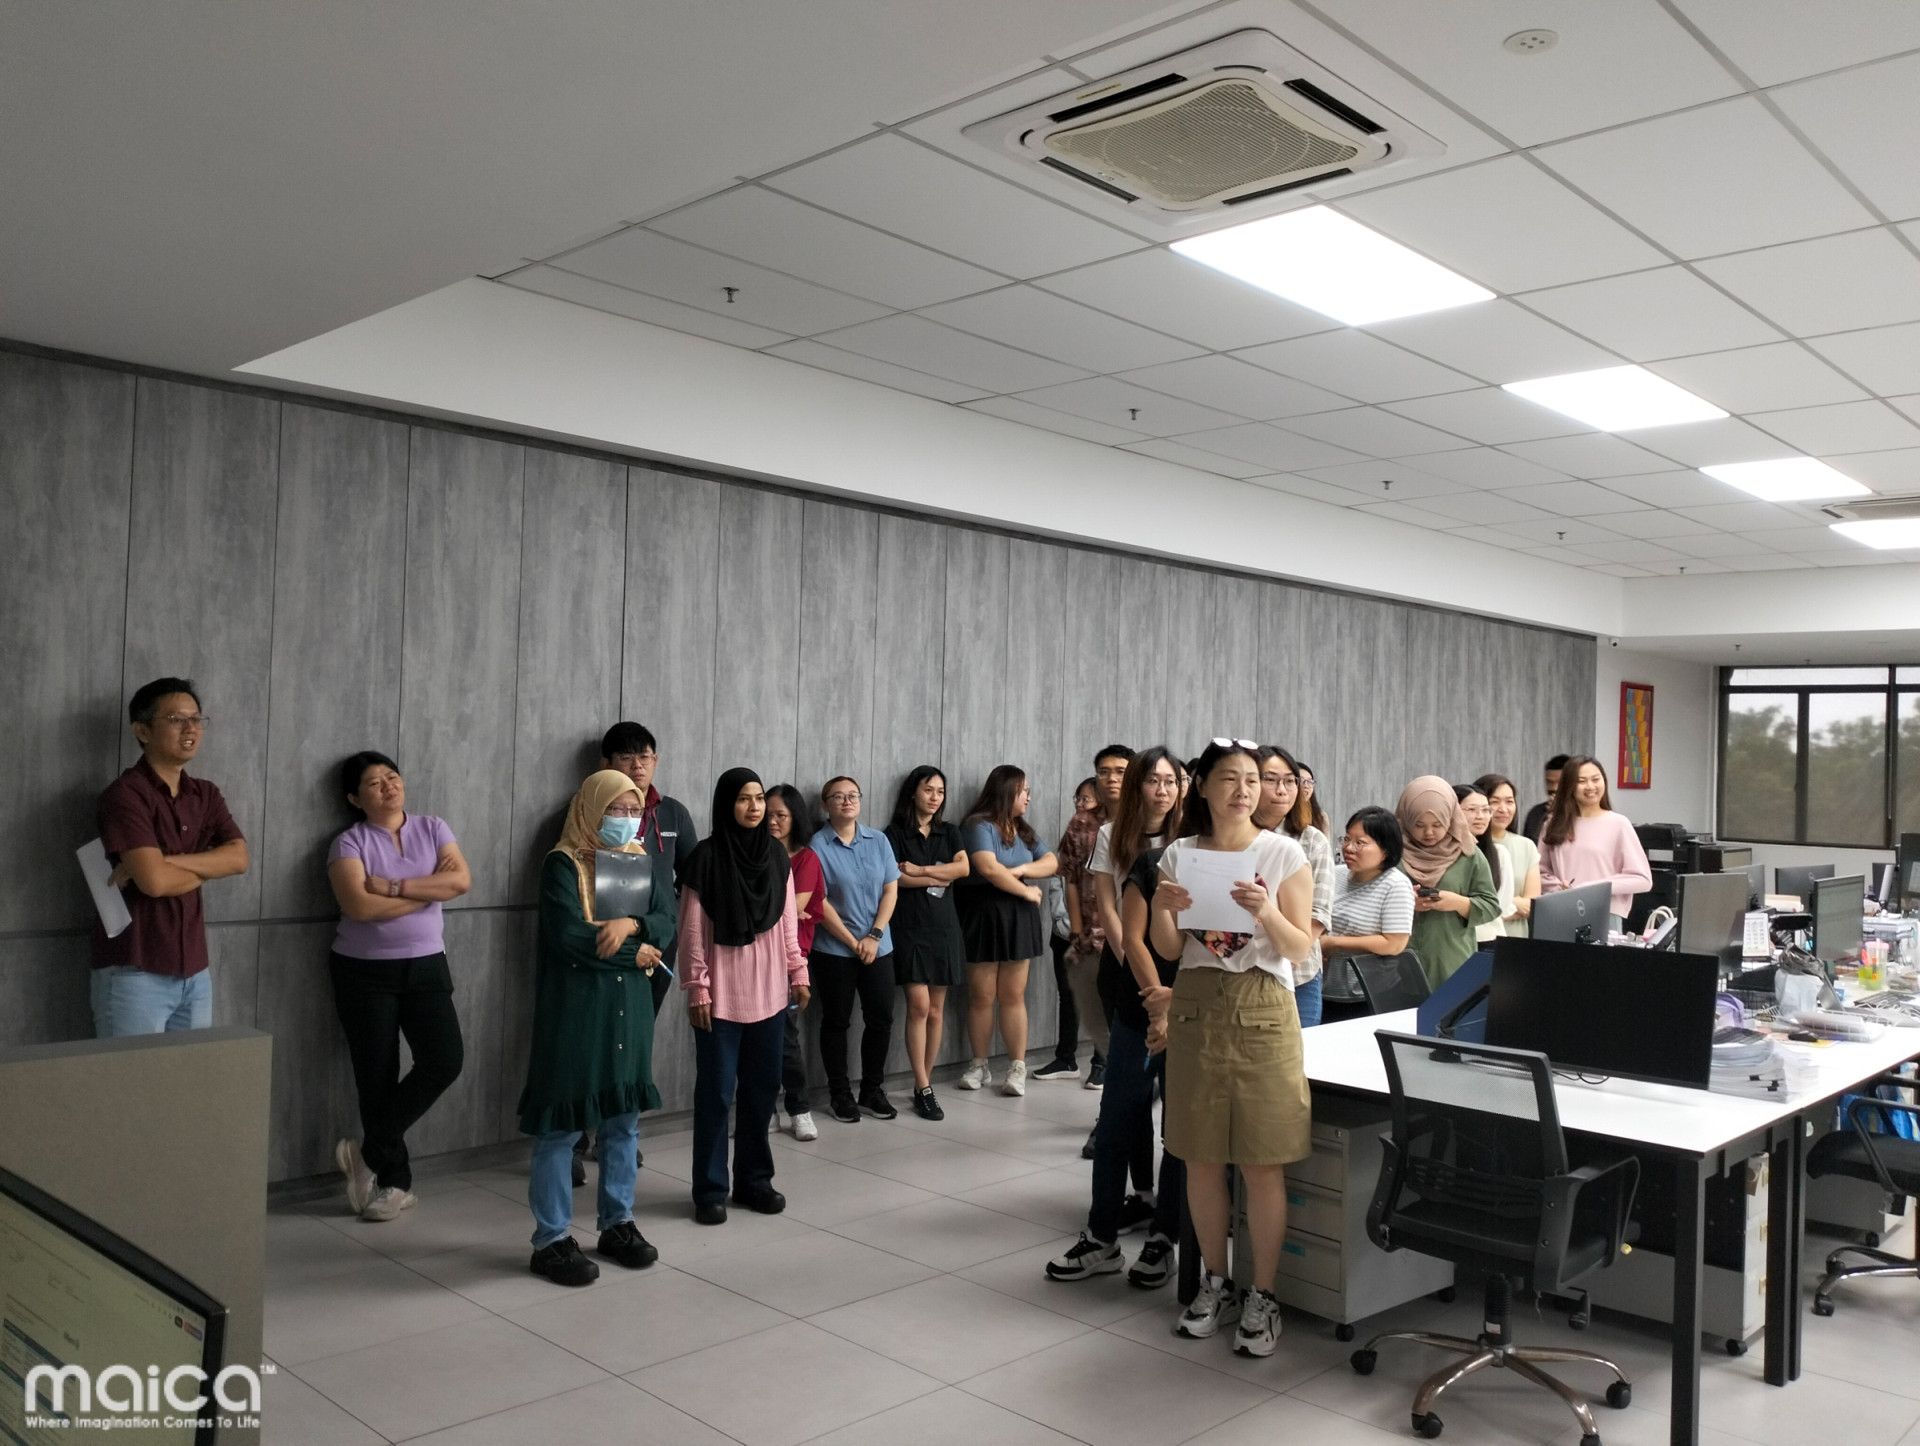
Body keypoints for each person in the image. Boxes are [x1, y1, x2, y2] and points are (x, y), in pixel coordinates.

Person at [1149, 739, 1316, 1358]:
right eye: (1230, 779)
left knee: (1261, 1159)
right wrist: (1163, 908)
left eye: (1254, 779)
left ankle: (1262, 1295)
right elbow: (1170, 948)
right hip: (1197, 1003)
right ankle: (1215, 1283)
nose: (1244, 790)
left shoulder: (1282, 851)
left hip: (1263, 1005)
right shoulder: (1180, 853)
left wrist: (1266, 911)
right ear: (1202, 785)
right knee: (1199, 1156)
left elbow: (1298, 949)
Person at [519, 770, 676, 1287]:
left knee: (622, 1122)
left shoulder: (636, 858)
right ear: (590, 810)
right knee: (562, 1127)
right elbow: (570, 936)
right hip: (578, 1010)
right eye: (616, 810)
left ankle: (617, 1224)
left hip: (629, 1007)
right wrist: (640, 953)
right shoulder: (562, 864)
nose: (626, 820)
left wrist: (632, 926)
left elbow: (666, 917)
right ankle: (550, 1241)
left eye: (634, 811)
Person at [1048, 747, 1183, 1286]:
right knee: (1118, 1113)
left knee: (1180, 1125)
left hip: (1186, 986)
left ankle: (1164, 1237)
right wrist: (1137, 967)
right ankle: (1102, 1236)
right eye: (1152, 781)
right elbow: (1106, 903)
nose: (1161, 790)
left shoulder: (1193, 837)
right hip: (1129, 974)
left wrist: (1166, 987)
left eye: (1171, 781)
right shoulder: (1112, 834)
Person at [326, 752, 471, 1223]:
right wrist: (428, 891)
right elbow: (358, 907)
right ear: (354, 798)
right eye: (374, 783)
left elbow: (461, 881)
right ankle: (394, 1183)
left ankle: (366, 1154)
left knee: (444, 1060)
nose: (388, 786)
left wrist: (392, 888)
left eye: (392, 777)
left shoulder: (433, 827)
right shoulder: (348, 842)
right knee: (377, 1076)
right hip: (363, 971)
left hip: (427, 965)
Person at [680, 769, 810, 1224]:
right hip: (720, 998)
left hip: (770, 996)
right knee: (715, 1096)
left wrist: (798, 970)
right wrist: (697, 987)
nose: (754, 808)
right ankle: (710, 1190)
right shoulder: (705, 857)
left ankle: (755, 1182)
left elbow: (788, 923)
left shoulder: (776, 855)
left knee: (761, 1093)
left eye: (759, 799)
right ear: (725, 804)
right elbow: (692, 931)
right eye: (743, 799)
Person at [574, 722, 701, 1186]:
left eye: (645, 757)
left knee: (633, 1041)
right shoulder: (588, 812)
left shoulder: (673, 813)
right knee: (591, 1041)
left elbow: (693, 874)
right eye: (627, 757)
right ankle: (574, 1139)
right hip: (600, 946)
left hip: (655, 946)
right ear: (606, 764)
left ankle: (617, 1133)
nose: (638, 766)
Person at [92, 678, 248, 1037]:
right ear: (142, 731)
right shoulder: (125, 795)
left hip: (195, 972)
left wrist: (170, 861)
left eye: (196, 719)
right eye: (177, 719)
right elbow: (155, 882)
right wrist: (209, 863)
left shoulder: (206, 794)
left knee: (191, 1074)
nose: (191, 728)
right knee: (131, 1074)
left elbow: (239, 858)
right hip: (134, 971)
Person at [955, 765, 1057, 1097]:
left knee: (1013, 995)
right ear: (1007, 791)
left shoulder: (1023, 829)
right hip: (983, 913)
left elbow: (1052, 862)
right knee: (982, 995)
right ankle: (979, 1065)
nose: (1028, 797)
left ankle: (1017, 1067)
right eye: (1024, 790)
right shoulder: (978, 825)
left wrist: (1023, 868)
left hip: (1018, 918)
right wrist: (1025, 888)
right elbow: (987, 867)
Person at [809, 776, 900, 1124]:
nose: (847, 801)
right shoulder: (817, 846)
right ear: (825, 804)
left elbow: (891, 889)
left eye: (853, 795)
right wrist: (852, 941)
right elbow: (819, 901)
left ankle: (872, 1090)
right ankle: (839, 1094)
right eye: (838, 796)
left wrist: (874, 936)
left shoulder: (878, 840)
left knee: (881, 1018)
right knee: (836, 1021)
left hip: (879, 947)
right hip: (834, 950)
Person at [884, 767, 970, 1121]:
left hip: (944, 928)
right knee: (918, 1006)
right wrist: (937, 874)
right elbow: (895, 878)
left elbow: (962, 870)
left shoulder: (950, 831)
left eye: (940, 791)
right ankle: (922, 1085)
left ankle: (925, 1083)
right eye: (928, 790)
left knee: (936, 1010)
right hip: (908, 927)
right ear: (913, 793)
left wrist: (920, 871)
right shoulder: (894, 833)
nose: (935, 797)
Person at [1055, 746, 1133, 1089]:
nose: (1111, 778)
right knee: (1103, 1021)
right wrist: (1077, 931)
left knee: (1131, 1024)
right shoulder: (1082, 822)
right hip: (1094, 938)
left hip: (1136, 939)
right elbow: (1070, 879)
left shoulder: (1147, 821)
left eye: (1120, 771)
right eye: (1104, 771)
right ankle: (1112, 1093)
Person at [1253, 746, 1334, 1028]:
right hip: (1245, 969)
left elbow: (1319, 911)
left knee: (1301, 1052)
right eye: (1271, 779)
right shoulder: (1231, 837)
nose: (1282, 790)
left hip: (1300, 975)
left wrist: (1292, 948)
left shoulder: (1311, 840)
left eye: (1290, 781)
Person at [1396, 777, 1501, 990]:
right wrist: (1405, 903)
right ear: (1406, 819)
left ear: (1451, 818)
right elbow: (1368, 898)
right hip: (1398, 966)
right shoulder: (1391, 852)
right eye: (1419, 825)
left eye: (1438, 824)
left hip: (1453, 962)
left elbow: (1491, 905)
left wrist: (1458, 903)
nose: (1429, 833)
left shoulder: (1468, 853)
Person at [1034, 777, 1102, 1083]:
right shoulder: (1072, 835)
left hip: (1098, 937)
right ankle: (1065, 1058)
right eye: (1078, 798)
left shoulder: (1107, 838)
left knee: (1100, 999)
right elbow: (1057, 884)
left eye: (1086, 799)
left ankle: (1101, 1063)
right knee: (1069, 995)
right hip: (1064, 934)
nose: (1079, 804)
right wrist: (1067, 925)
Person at [766, 783, 824, 1141]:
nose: (772, 821)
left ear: (795, 818)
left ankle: (799, 1109)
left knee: (786, 1038)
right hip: (753, 959)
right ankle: (765, 1109)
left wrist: (764, 908)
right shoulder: (755, 853)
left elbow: (793, 908)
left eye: (781, 815)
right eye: (768, 814)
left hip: (790, 960)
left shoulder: (806, 859)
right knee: (756, 1042)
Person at [1538, 755, 1653, 931]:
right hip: (1561, 910)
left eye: (1596, 779)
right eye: (1582, 781)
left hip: (1605, 912)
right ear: (1569, 785)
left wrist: (1593, 888)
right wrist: (1558, 888)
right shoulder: (1553, 823)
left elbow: (1642, 879)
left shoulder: (1619, 824)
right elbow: (1540, 872)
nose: (1590, 786)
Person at [1322, 807, 1416, 962]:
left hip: (1365, 976)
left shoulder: (1395, 885)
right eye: (1347, 839)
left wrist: (1334, 943)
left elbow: (1394, 944)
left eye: (1360, 843)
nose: (1349, 848)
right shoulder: (1335, 873)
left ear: (1385, 850)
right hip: (1328, 973)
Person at [1477, 772, 1541, 937]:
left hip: (1517, 938)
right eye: (1494, 802)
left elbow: (1532, 905)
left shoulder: (1526, 846)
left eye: (1509, 801)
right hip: (1481, 939)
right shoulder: (1472, 846)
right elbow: (1472, 906)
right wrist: (1512, 904)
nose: (1503, 809)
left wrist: (1495, 906)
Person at [1454, 783, 1510, 945]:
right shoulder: (1442, 855)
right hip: (1456, 941)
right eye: (1472, 810)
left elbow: (1502, 905)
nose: (1481, 816)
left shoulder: (1499, 853)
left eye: (1486, 810)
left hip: (1490, 939)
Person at [1521, 754, 1569, 844]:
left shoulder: (1583, 813)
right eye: (1549, 782)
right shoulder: (1536, 813)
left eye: (1560, 782)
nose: (1554, 788)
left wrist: (1561, 812)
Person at [1294, 761, 1331, 836]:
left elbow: (1326, 842)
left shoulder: (1321, 816)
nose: (1306, 786)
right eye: (1301, 781)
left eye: (1310, 782)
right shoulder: (1281, 812)